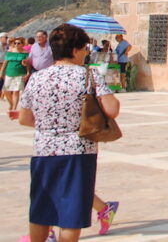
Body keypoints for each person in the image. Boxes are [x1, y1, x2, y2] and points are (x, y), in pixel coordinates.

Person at [18, 23, 121, 240]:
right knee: (71, 213)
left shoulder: (36, 78)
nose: (85, 54)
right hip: (79, 151)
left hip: (44, 150)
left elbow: (25, 118)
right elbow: (112, 110)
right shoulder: (88, 77)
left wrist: (51, 126)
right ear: (75, 50)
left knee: (40, 210)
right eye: (84, 49)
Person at [3, 36, 29, 117]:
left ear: (22, 44)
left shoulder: (25, 53)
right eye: (15, 43)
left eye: (18, 43)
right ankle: (11, 104)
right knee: (5, 91)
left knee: (16, 91)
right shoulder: (10, 51)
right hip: (9, 73)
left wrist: (28, 72)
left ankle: (14, 108)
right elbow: (5, 63)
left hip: (20, 73)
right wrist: (1, 72)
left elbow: (27, 64)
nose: (16, 44)